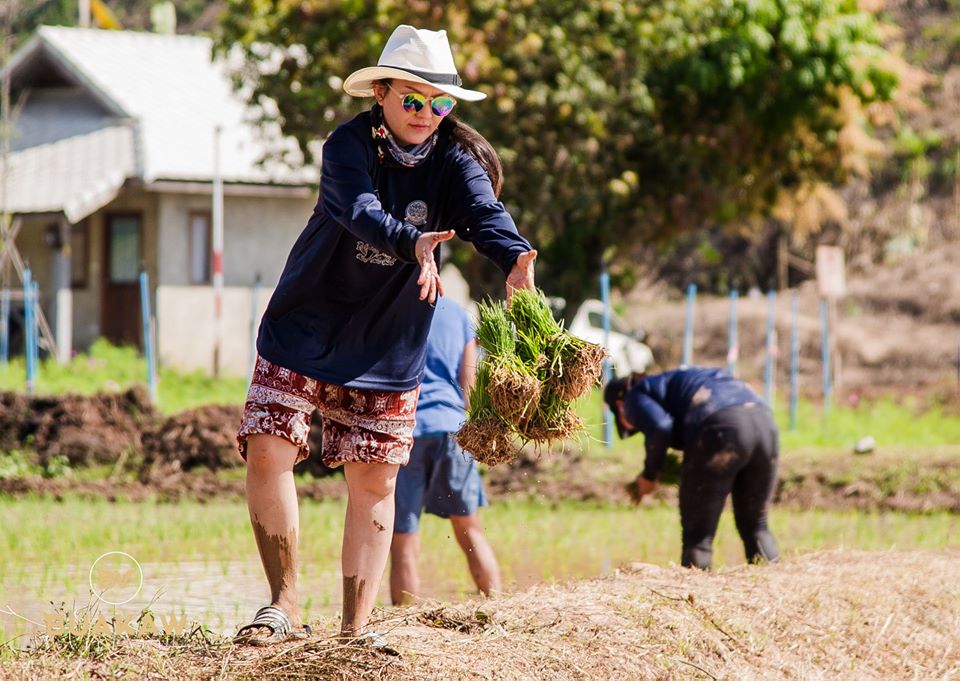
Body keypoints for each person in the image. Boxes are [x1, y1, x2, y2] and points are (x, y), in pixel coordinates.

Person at [234, 25, 536, 645]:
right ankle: (283, 605)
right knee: (270, 445)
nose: (428, 114)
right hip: (308, 321)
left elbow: (484, 211)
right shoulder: (347, 146)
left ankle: (355, 630)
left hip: (391, 337)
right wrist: (413, 241)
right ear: (381, 94)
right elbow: (361, 211)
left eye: (441, 103)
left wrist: (513, 257)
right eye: (414, 100)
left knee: (375, 478)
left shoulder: (456, 160)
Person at [603, 367, 779, 570]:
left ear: (619, 405)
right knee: (756, 525)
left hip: (720, 425)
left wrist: (650, 475)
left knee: (698, 537)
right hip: (765, 422)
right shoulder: (677, 381)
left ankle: (695, 596)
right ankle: (772, 582)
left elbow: (660, 427)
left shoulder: (634, 395)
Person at [390, 296, 501, 604]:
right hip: (453, 429)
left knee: (403, 533)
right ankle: (495, 607)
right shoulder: (458, 315)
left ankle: (404, 623)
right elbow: (468, 382)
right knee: (469, 527)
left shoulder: (396, 306)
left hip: (407, 428)